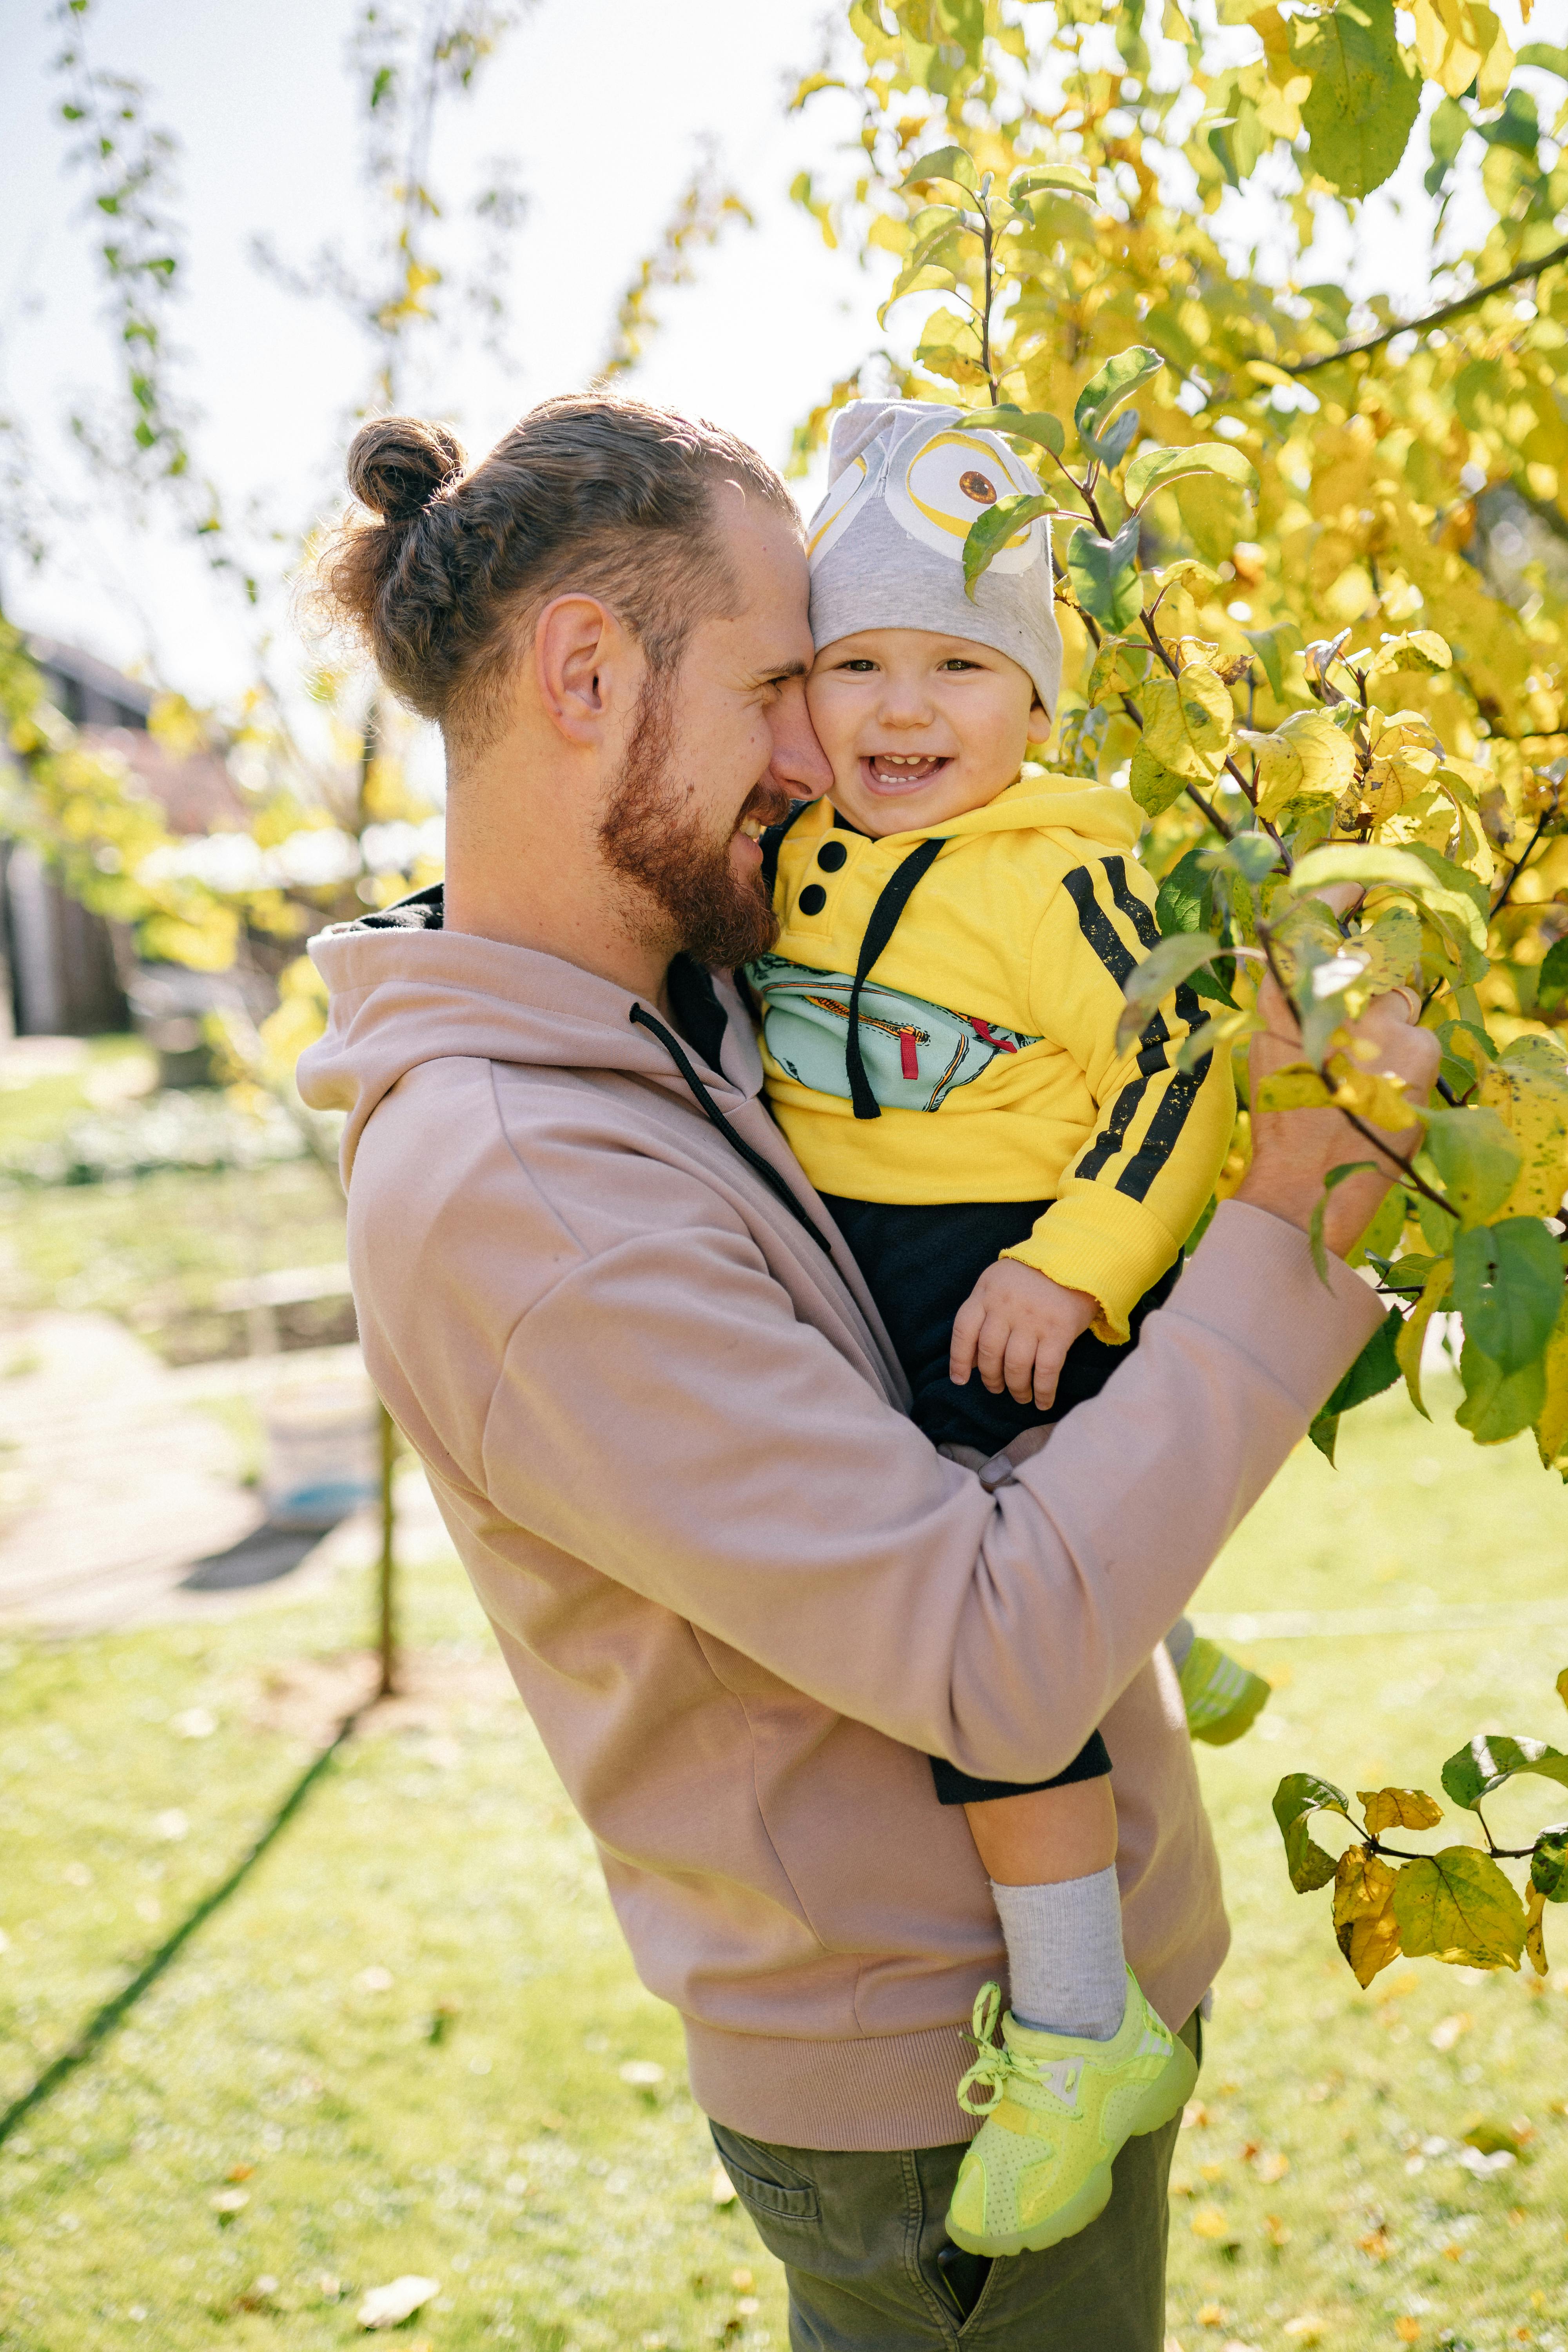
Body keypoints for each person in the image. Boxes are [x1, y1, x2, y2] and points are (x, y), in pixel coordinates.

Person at [297, 390, 1437, 2351]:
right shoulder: (528, 1193)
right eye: (783, 682)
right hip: (946, 2084)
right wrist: (1295, 1212)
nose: (835, 746)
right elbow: (985, 1647)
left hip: (1046, 2002)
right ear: (586, 673)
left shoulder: (684, 1005)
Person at [744, 396, 1257, 2261]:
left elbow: (1181, 1053)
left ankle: (1075, 2021)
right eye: (856, 660)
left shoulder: (1053, 867)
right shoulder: (806, 848)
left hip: (1008, 1262)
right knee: (975, 1536)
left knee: (989, 1665)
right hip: (860, 1267)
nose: (900, 708)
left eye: (958, 663)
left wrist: (1077, 1263)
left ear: (1036, 703)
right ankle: (1161, 1619)